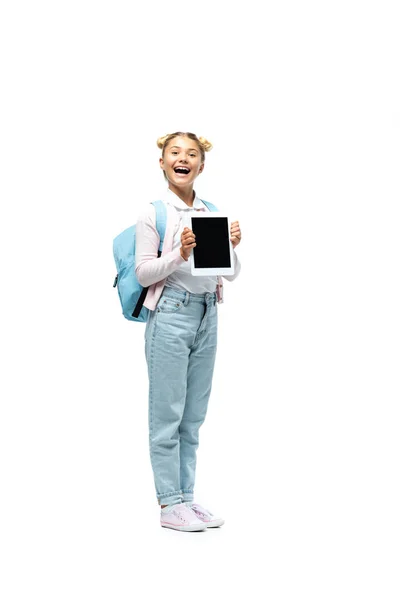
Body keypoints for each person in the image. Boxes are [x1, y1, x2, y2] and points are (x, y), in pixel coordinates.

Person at [135, 132, 242, 532]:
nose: (183, 159)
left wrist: (231, 247)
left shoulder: (211, 211)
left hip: (207, 314)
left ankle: (187, 498)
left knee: (192, 417)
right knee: (168, 413)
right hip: (170, 314)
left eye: (191, 154)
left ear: (201, 165)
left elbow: (229, 273)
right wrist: (178, 253)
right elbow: (145, 272)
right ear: (162, 163)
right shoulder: (154, 214)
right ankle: (168, 504)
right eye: (175, 153)